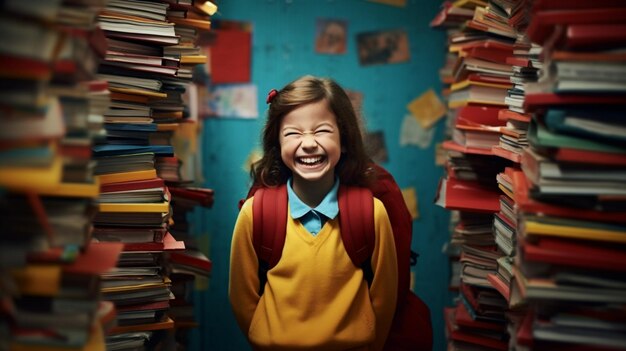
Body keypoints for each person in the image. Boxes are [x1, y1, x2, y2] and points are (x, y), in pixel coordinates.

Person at [229, 75, 398, 350]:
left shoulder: (371, 213)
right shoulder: (255, 214)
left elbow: (384, 298)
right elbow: (242, 299)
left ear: (344, 140)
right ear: (277, 144)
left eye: (321, 130)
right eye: (293, 133)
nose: (308, 143)